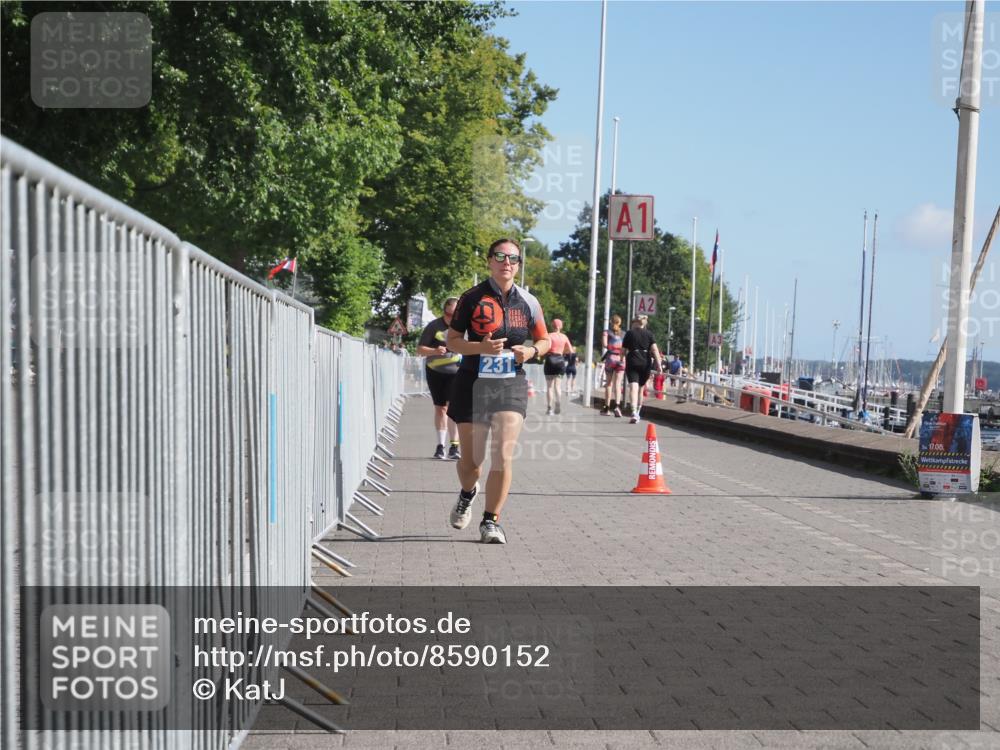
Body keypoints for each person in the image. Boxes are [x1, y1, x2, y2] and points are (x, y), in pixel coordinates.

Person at [446, 239, 550, 544]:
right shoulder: (472, 298)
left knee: (503, 454)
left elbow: (544, 340)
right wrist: (480, 347)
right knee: (472, 463)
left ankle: (490, 521)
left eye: (513, 258)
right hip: (472, 383)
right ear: (490, 261)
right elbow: (452, 341)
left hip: (510, 383)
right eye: (501, 256)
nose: (507, 262)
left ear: (519, 264)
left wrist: (530, 353)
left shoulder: (529, 302)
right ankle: (468, 493)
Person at [416, 297, 462, 459]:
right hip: (435, 371)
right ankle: (440, 446)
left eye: (455, 315)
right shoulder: (434, 326)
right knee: (440, 408)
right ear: (444, 312)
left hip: (456, 372)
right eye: (449, 314)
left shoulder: (464, 327)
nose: (451, 318)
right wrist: (435, 351)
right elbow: (420, 349)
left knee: (452, 408)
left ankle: (454, 446)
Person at [622, 315, 663, 424]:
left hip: (632, 360)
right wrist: (659, 365)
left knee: (633, 387)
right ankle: (638, 412)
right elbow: (655, 350)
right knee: (641, 389)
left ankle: (634, 412)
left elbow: (623, 350)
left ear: (635, 322)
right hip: (645, 362)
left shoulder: (629, 333)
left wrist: (621, 359)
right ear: (644, 323)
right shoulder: (649, 334)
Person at [543, 319, 573, 415]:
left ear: (552, 326)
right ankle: (558, 403)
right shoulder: (564, 337)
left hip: (550, 360)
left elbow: (545, 347)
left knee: (549, 386)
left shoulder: (549, 336)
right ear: (561, 326)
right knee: (558, 386)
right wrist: (562, 352)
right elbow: (571, 350)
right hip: (560, 361)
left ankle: (549, 409)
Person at [601, 314, 626, 417]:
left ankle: (606, 408)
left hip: (610, 359)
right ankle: (617, 406)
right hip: (621, 359)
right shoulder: (624, 333)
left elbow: (605, 344)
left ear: (611, 322)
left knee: (609, 383)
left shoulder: (606, 332)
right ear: (620, 323)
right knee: (618, 383)